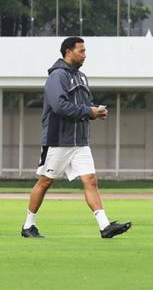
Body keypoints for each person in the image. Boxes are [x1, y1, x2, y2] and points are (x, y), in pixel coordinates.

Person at [20, 37, 131, 239]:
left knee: (90, 180)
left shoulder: (81, 77)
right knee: (45, 182)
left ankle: (105, 226)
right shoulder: (57, 76)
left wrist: (95, 111)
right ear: (68, 52)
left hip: (80, 141)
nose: (85, 55)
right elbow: (59, 106)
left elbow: (84, 105)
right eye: (81, 51)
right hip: (58, 140)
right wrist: (89, 111)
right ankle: (28, 226)